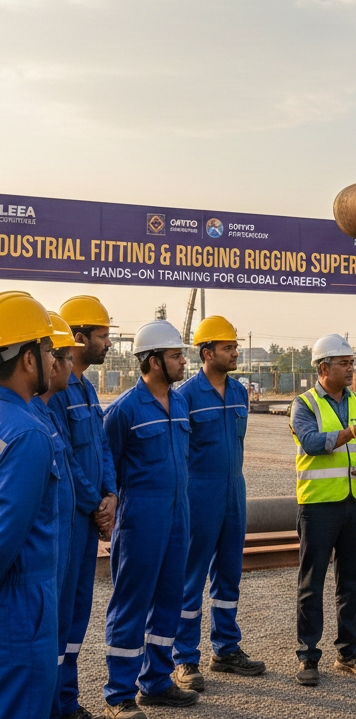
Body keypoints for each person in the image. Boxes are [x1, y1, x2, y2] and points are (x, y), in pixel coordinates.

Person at [102, 320, 197, 718]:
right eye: (176, 355)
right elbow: (108, 465)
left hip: (179, 515)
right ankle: (119, 694)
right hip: (141, 517)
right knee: (131, 604)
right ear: (153, 361)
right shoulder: (125, 409)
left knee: (169, 601)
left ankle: (155, 681)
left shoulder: (179, 403)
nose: (182, 362)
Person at [172, 315, 265, 691]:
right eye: (228, 347)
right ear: (206, 352)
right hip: (200, 493)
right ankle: (185, 659)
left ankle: (226, 649)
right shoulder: (185, 396)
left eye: (235, 346)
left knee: (229, 573)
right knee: (192, 576)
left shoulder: (241, 393)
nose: (235, 352)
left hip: (234, 492)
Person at [289, 334, 356, 686]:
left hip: (354, 502)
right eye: (344, 363)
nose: (351, 368)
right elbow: (312, 443)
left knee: (350, 582)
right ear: (323, 367)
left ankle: (348, 651)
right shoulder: (304, 404)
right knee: (311, 583)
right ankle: (308, 656)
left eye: (352, 363)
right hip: (317, 504)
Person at [49, 294, 118, 719]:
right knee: (59, 615)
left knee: (77, 614)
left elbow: (102, 446)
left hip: (91, 516)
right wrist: (97, 501)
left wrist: (111, 493)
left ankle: (68, 699)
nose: (108, 343)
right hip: (72, 519)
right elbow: (66, 458)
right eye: (102, 335)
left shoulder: (89, 387)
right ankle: (54, 704)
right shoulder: (55, 390)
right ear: (78, 337)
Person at [0, 291, 60, 719]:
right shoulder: (28, 434)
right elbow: (5, 539)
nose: (53, 360)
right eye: (46, 349)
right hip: (20, 607)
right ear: (26, 359)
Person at [30, 312, 79, 719]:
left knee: (61, 633)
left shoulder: (45, 415)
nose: (60, 363)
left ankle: (60, 705)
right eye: (53, 354)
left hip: (63, 539)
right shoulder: (30, 425)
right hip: (37, 563)